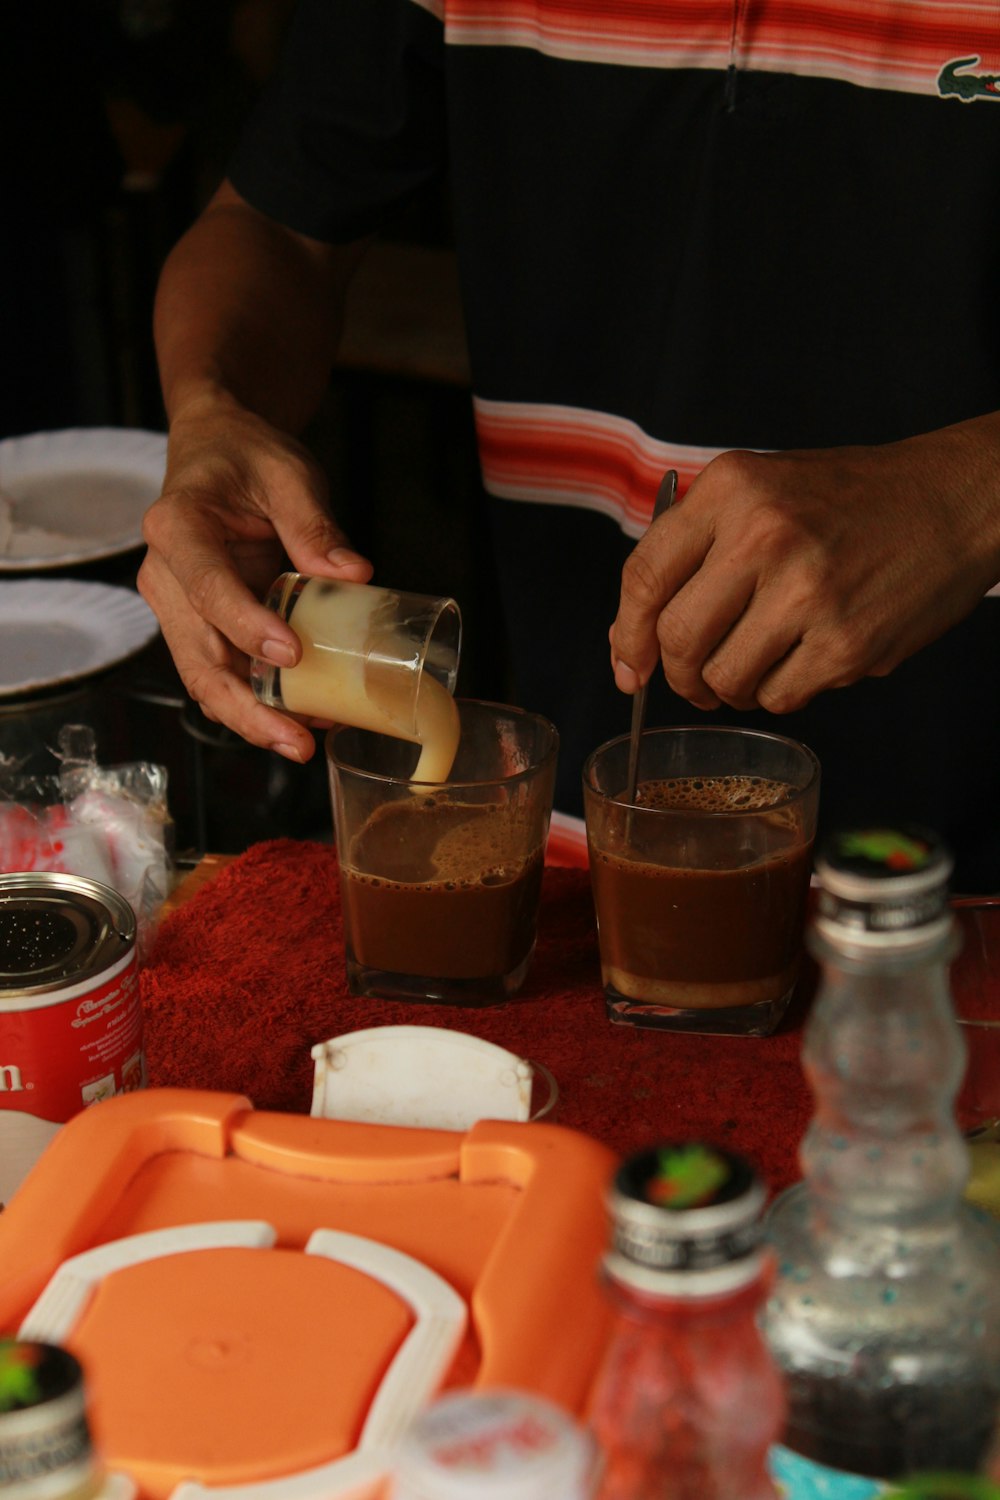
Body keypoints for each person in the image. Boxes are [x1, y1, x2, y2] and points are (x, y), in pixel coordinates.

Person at [138, 0, 1000, 889]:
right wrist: (211, 412)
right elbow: (278, 222)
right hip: (592, 853)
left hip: (974, 861)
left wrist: (968, 499)